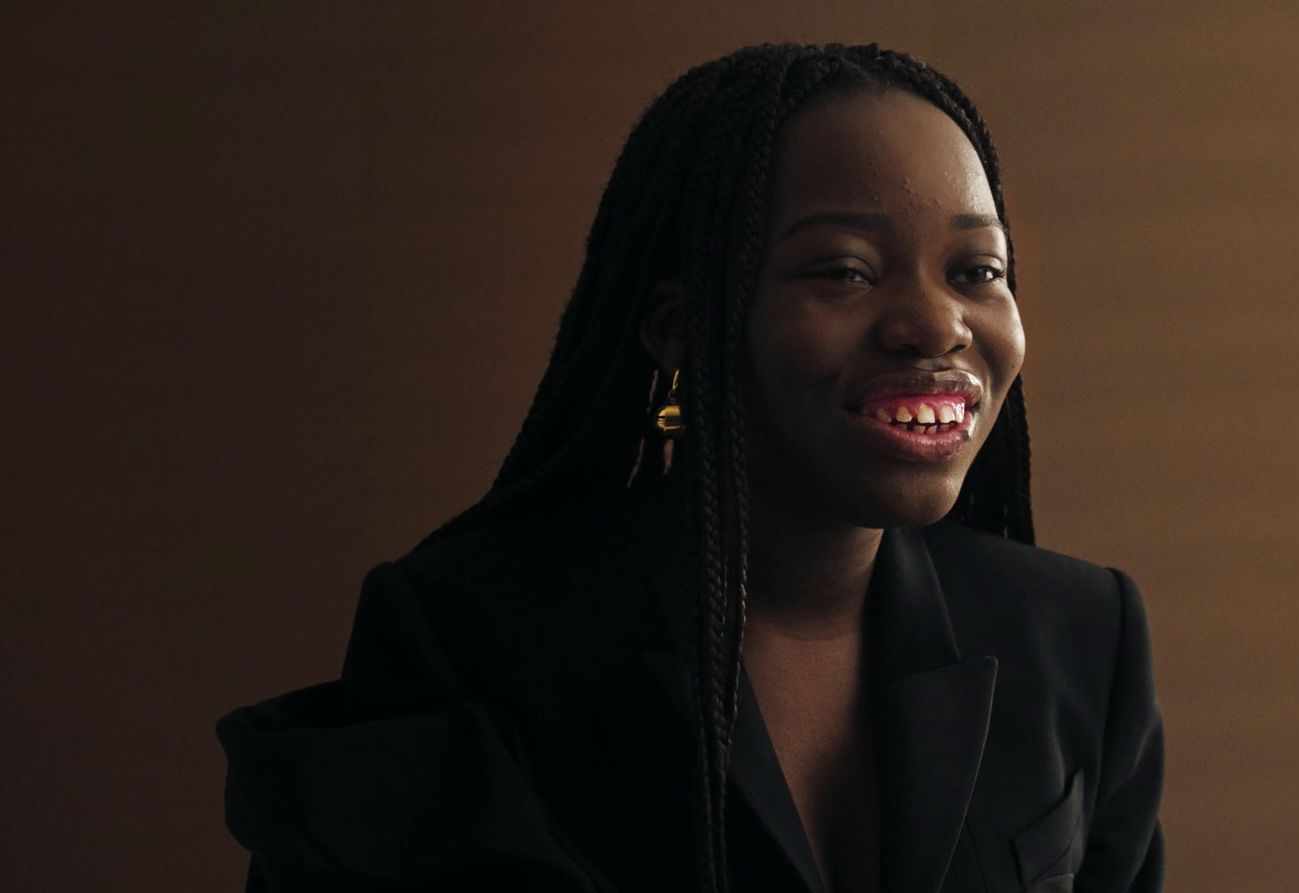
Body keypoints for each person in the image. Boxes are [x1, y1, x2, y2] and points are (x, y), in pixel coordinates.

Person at [216, 42, 1164, 893]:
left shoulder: (1081, 641)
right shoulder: (466, 645)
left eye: (977, 272)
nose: (938, 323)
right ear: (680, 328)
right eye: (843, 270)